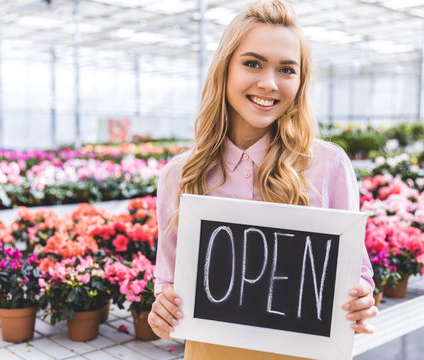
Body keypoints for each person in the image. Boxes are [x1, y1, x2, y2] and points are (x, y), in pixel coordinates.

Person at [148, 0, 378, 358]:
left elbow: (357, 274)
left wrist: (361, 297)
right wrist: (162, 311)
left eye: (286, 69)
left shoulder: (328, 165)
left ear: (300, 82)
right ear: (225, 68)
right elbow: (167, 282)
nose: (269, 83)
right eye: (253, 63)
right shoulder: (180, 175)